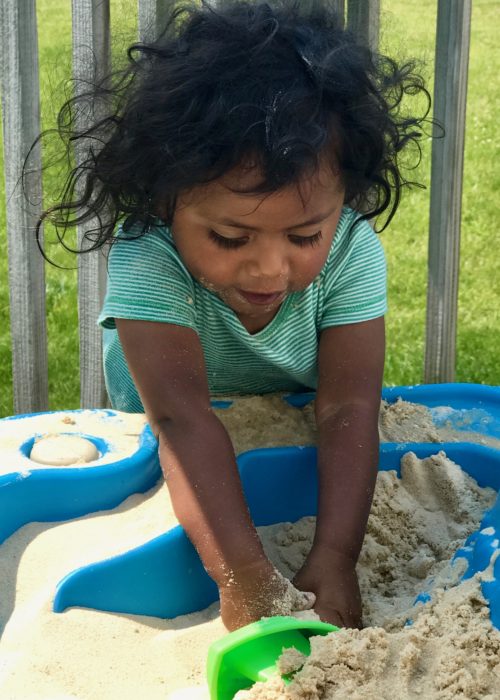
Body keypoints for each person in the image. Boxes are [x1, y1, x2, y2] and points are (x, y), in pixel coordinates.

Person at [36, 0, 430, 631]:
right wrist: (245, 577)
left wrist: (336, 556)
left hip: (294, 437)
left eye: (304, 237)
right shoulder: (149, 253)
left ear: (343, 202)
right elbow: (179, 418)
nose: (270, 270)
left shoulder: (353, 250)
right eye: (229, 238)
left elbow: (348, 409)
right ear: (167, 198)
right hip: (170, 441)